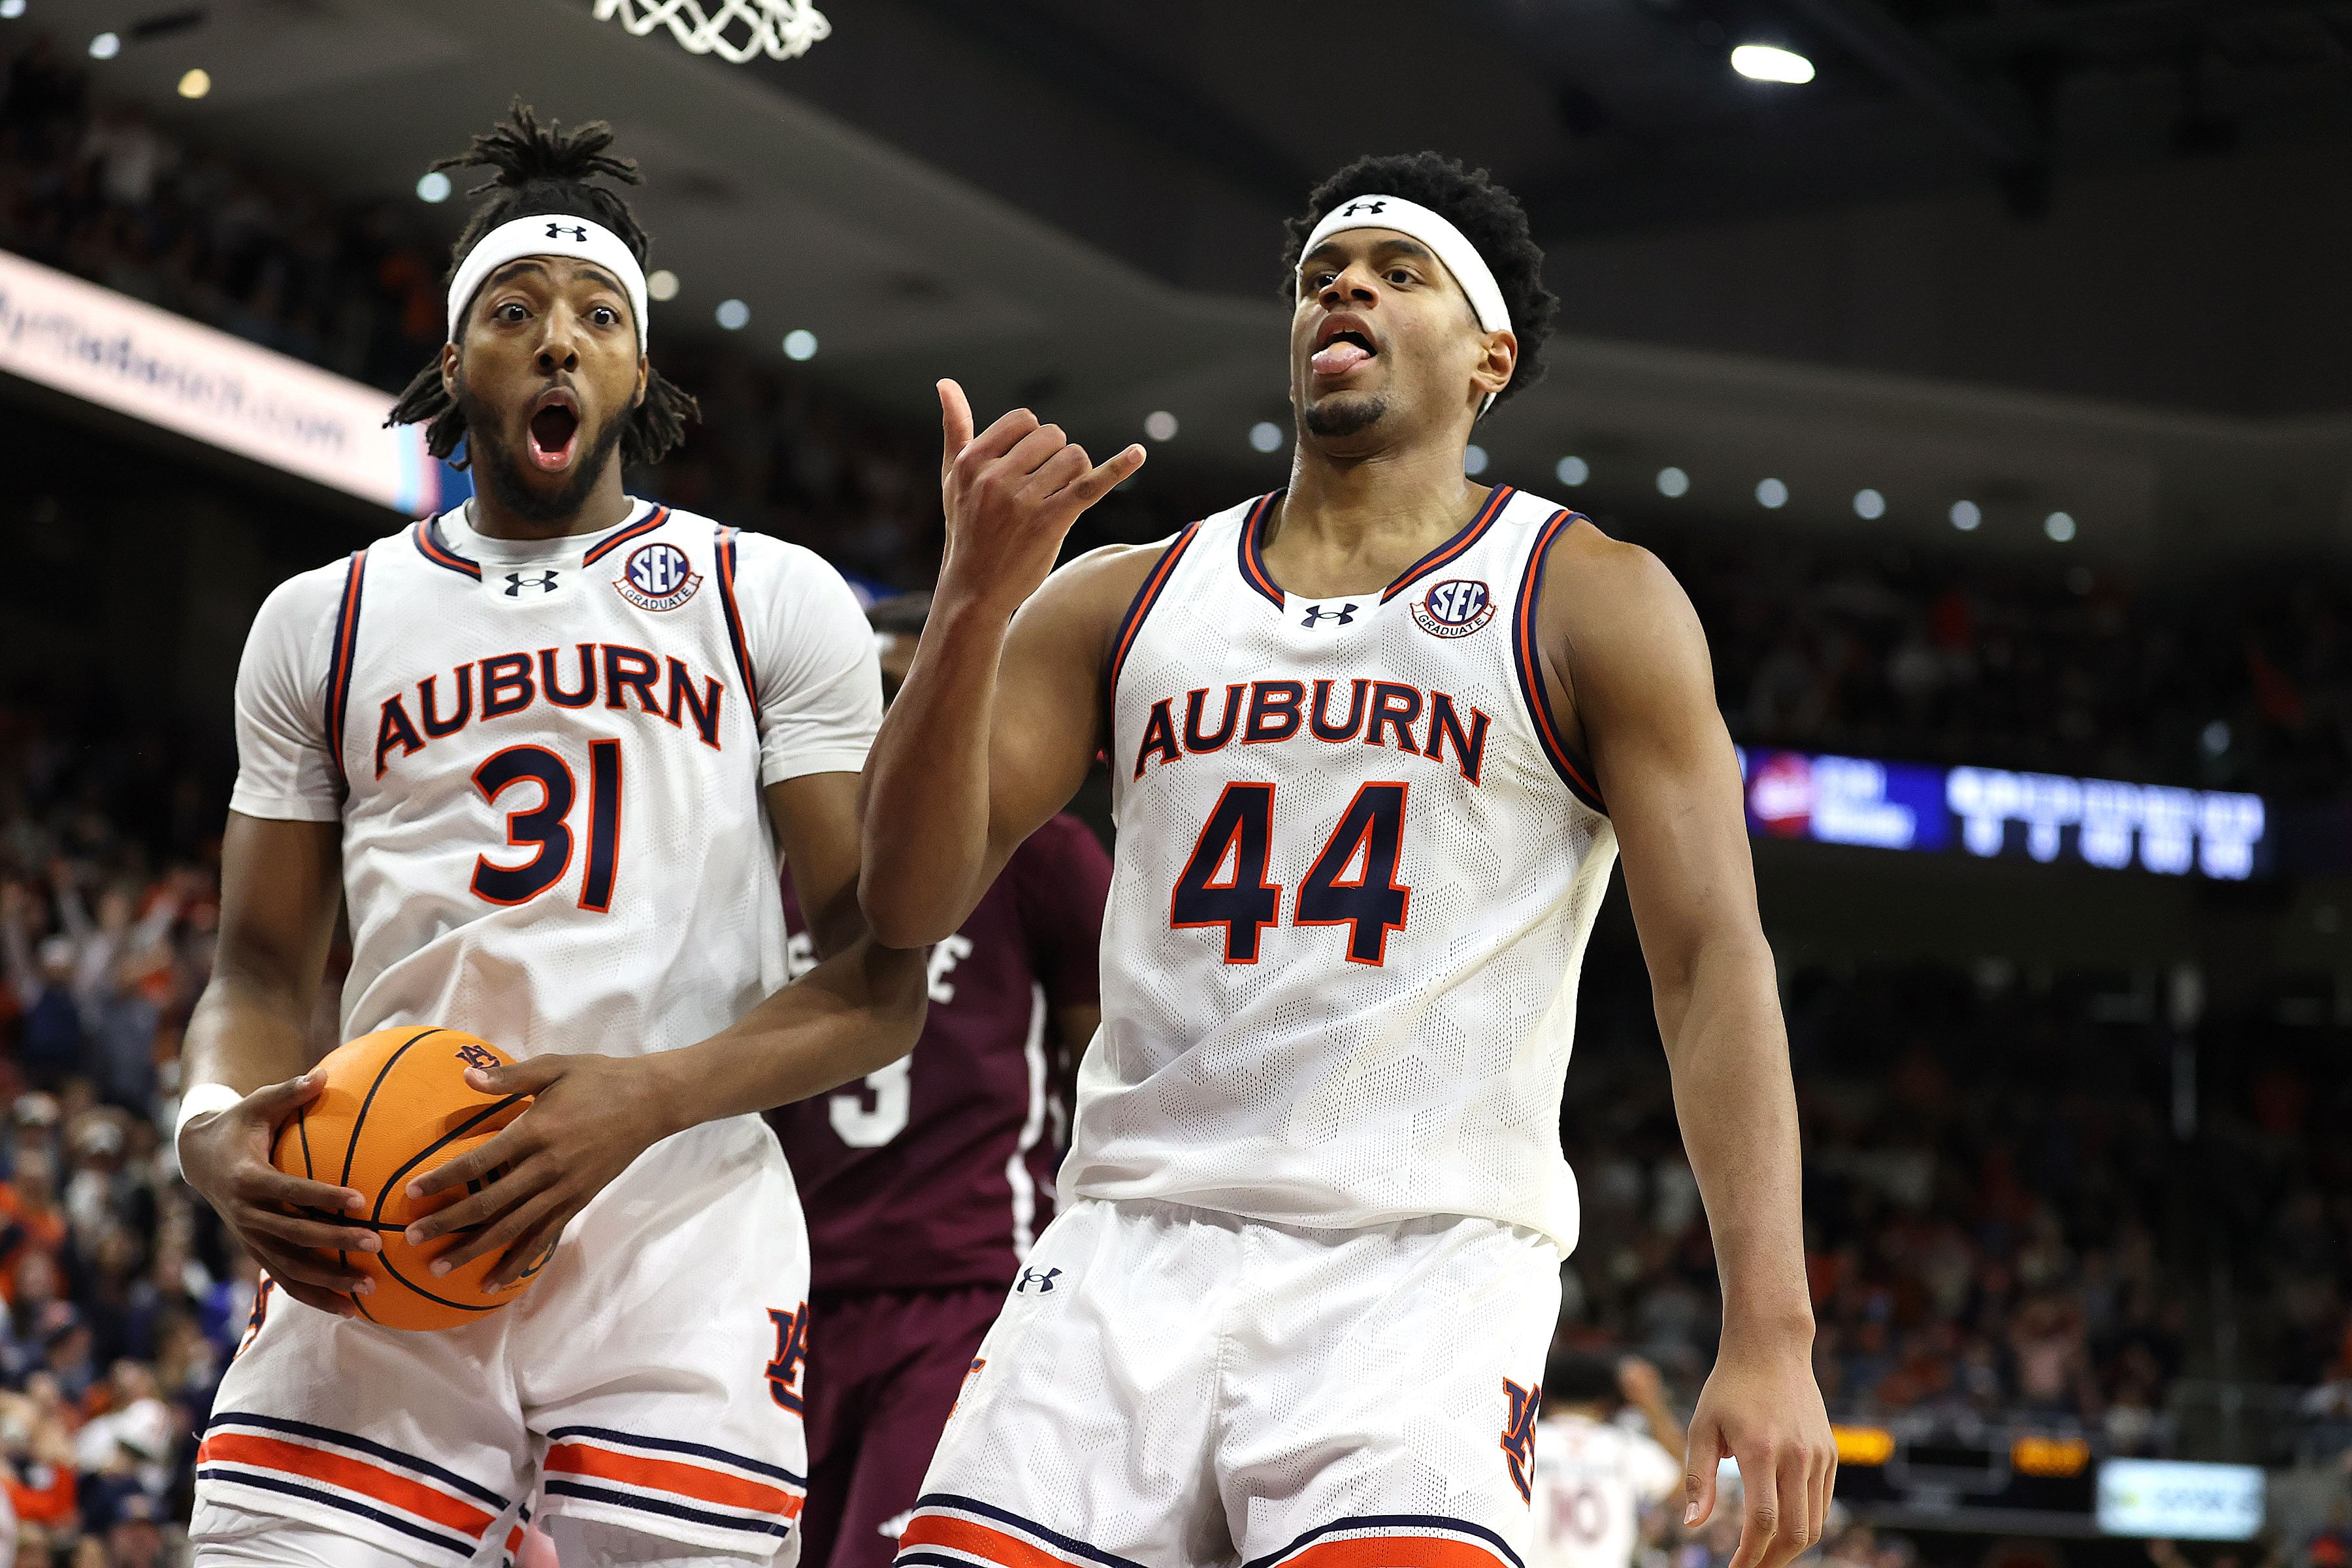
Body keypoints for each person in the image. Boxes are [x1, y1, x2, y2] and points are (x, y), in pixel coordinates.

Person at [860, 150, 1835, 1567]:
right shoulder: (1120, 597)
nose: (1349, 289)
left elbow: (1707, 965)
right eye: (1324, 275)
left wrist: (1772, 1327)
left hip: (1419, 1272)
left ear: (1489, 354)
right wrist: (966, 610)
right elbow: (904, 903)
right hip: (1126, 1244)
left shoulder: (1587, 597)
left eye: (1398, 271)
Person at [172, 105, 926, 1568]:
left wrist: (641, 1101)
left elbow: (875, 986)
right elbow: (259, 971)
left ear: (642, 371)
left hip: (675, 1236)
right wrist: (208, 1135)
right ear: (456, 364)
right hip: (375, 1212)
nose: (559, 340)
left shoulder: (764, 594)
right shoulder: (318, 621)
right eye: (514, 312)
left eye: (598, 315)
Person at [770, 594, 1113, 1568]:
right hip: (788, 1287)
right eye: (877, 695)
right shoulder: (782, 862)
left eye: (913, 695)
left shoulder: (1045, 857)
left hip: (964, 1282)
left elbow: (1108, 1067)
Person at [1530, 1352, 1686, 1568]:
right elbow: (1684, 1483)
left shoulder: (1528, 1443)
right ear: (1607, 1401)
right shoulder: (1624, 1446)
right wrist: (1650, 1400)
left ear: (1546, 1397)